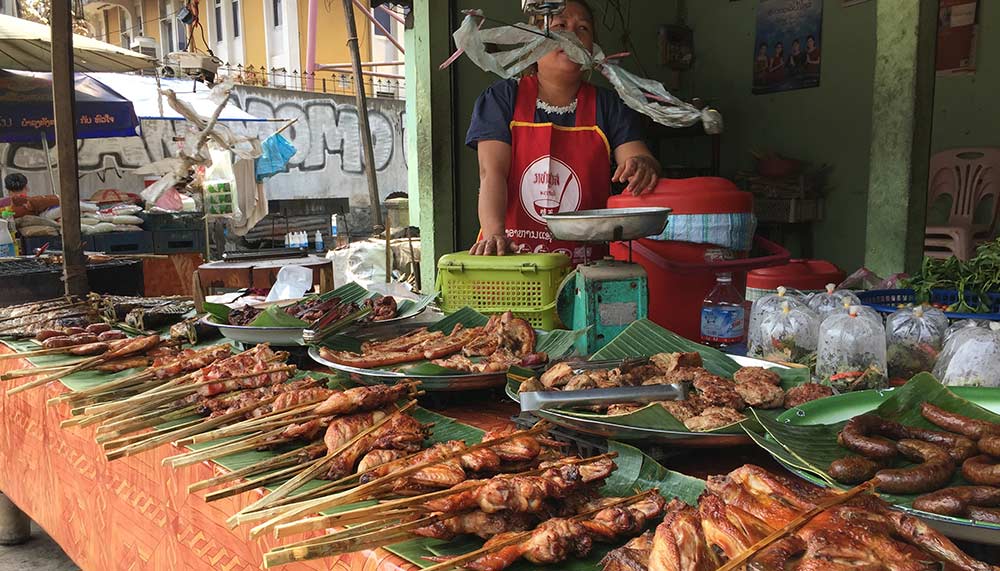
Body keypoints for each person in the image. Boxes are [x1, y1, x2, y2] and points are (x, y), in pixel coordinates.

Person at [465, 0, 660, 264]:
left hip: (587, 262)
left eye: (583, 28)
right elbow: (491, 173)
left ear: (592, 48)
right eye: (560, 26)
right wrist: (494, 234)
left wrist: (642, 165)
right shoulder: (502, 99)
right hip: (513, 261)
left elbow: (637, 156)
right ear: (533, 40)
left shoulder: (609, 106)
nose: (572, 36)